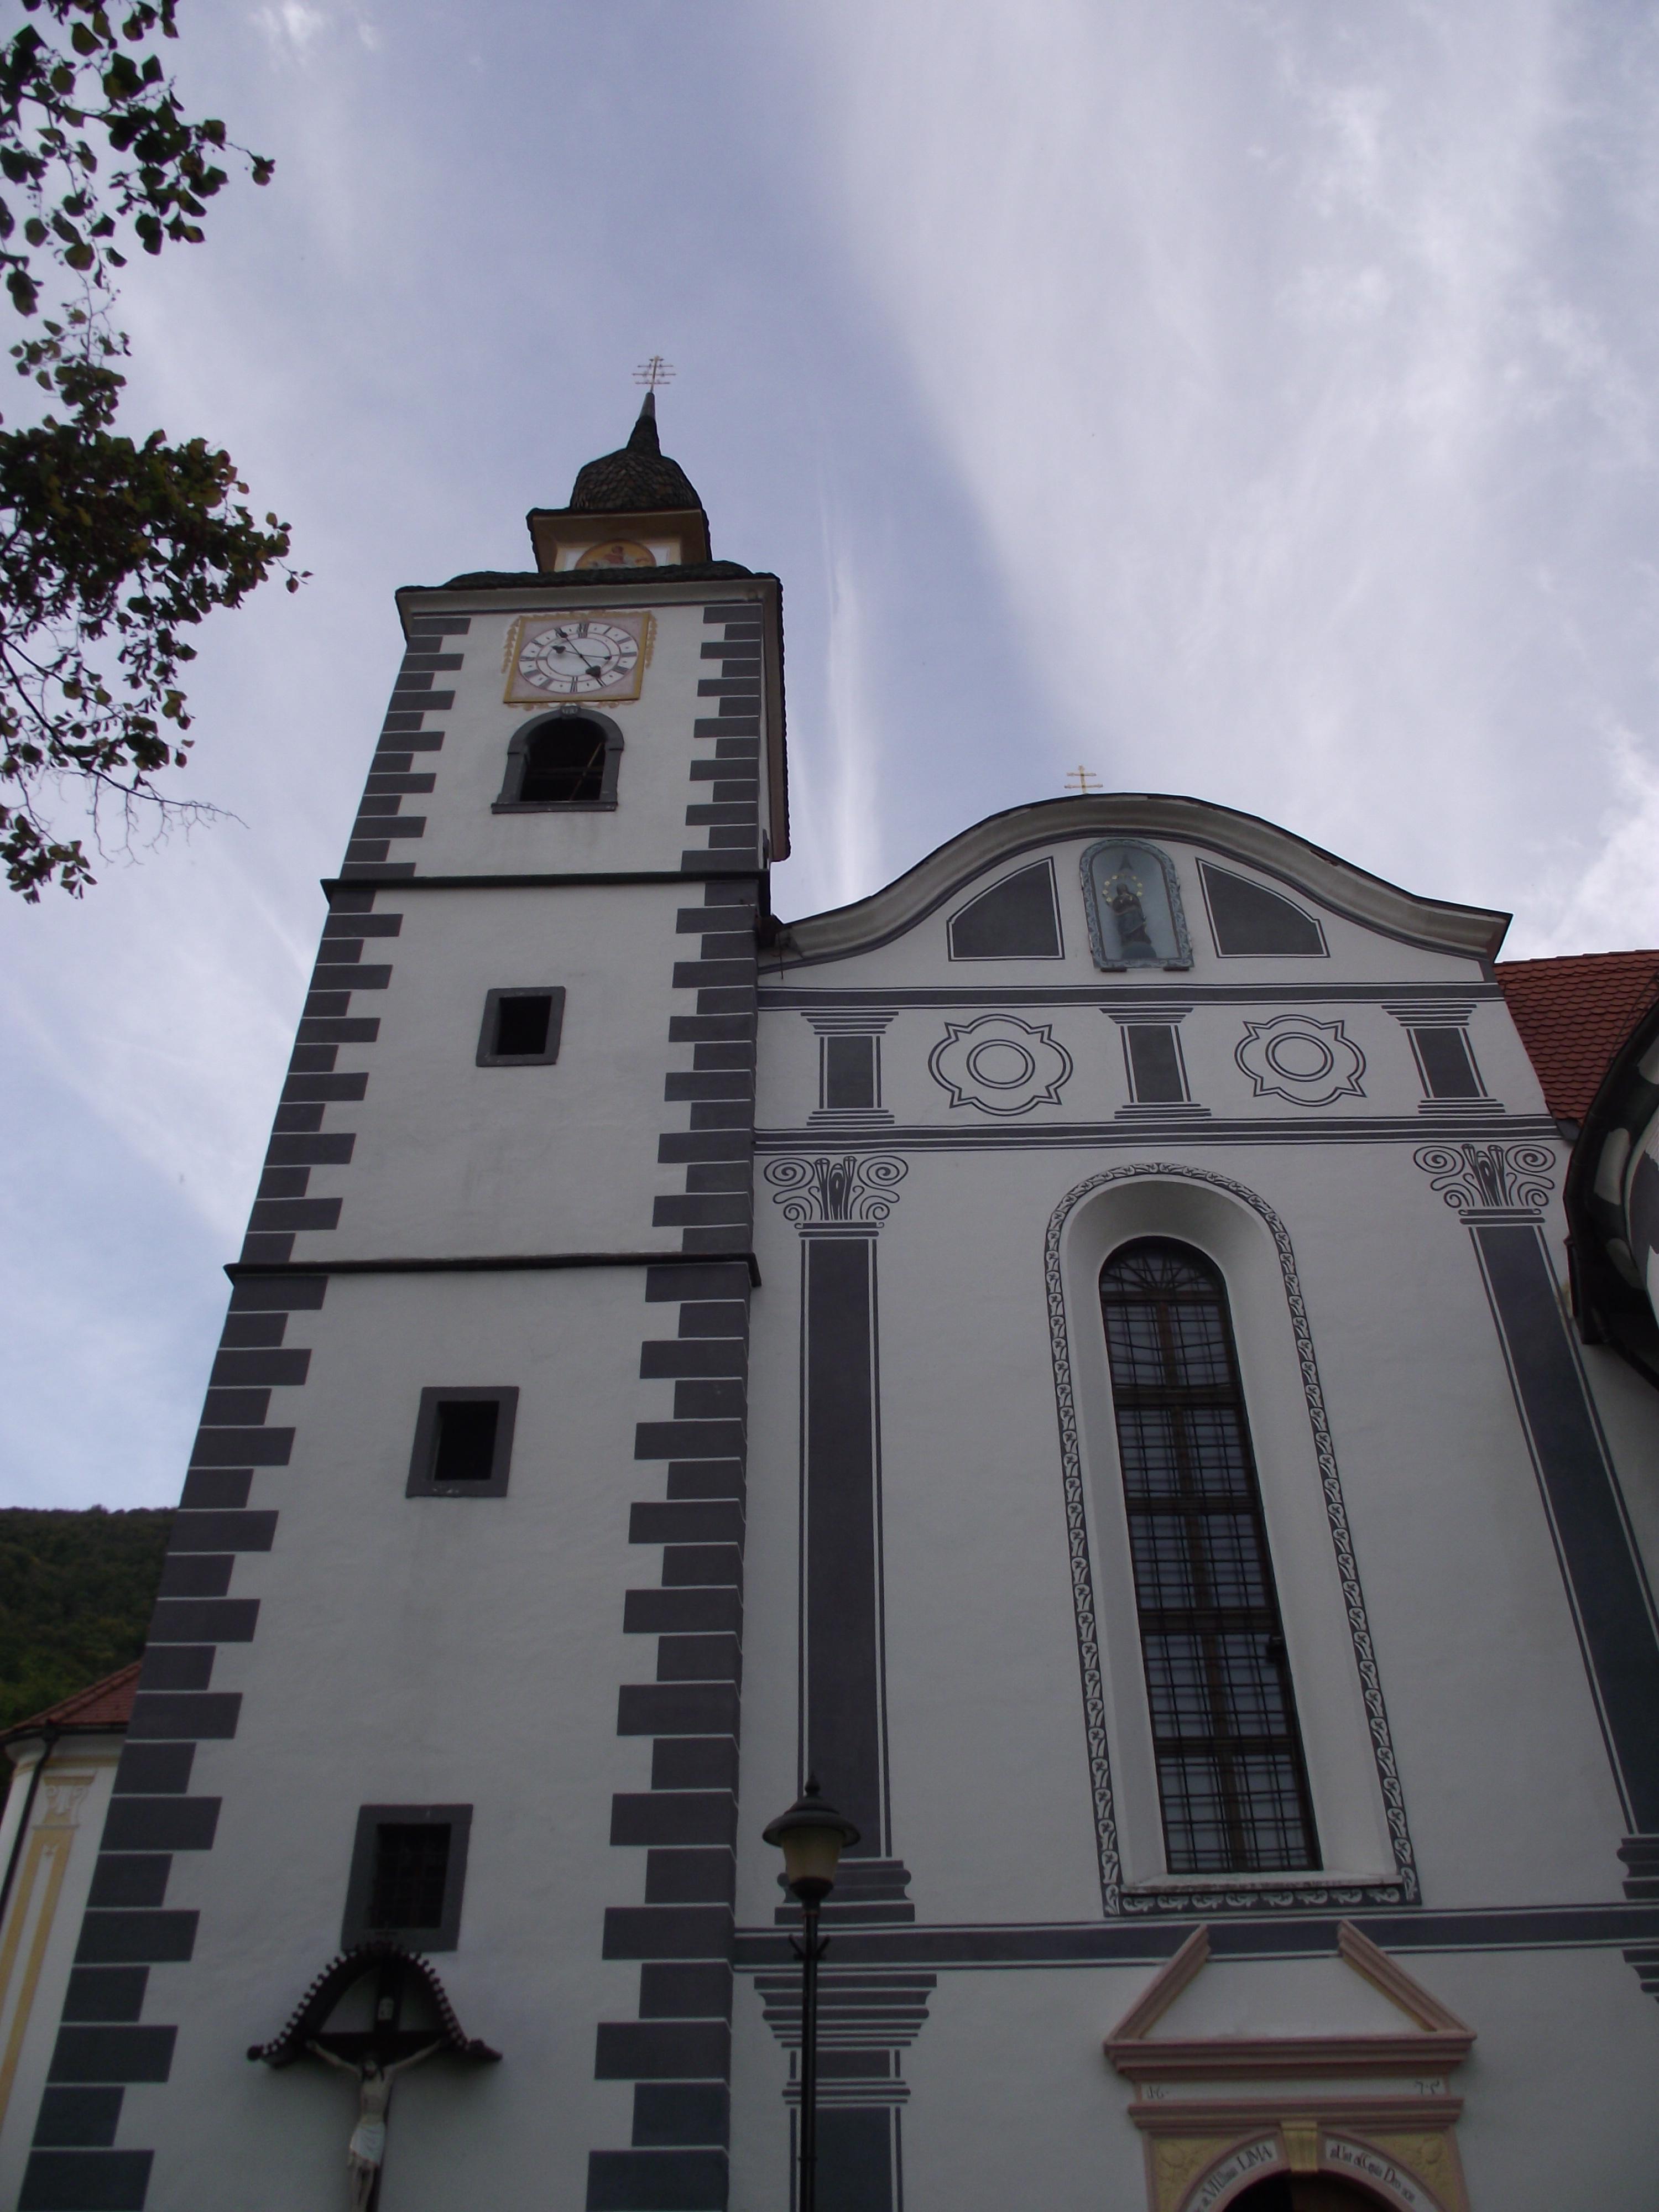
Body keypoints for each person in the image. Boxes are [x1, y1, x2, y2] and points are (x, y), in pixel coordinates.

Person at [306, 2037, 443, 2210]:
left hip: (377, 2128)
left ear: (377, 2064)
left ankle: (363, 2205)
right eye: (365, 2065)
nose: (368, 2068)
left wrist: (435, 2046)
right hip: (363, 2127)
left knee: (369, 2168)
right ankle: (355, 2206)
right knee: (357, 2167)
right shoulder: (361, 2077)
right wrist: (318, 2049)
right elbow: (339, 2063)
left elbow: (413, 2059)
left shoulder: (388, 2074)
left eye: (370, 2064)